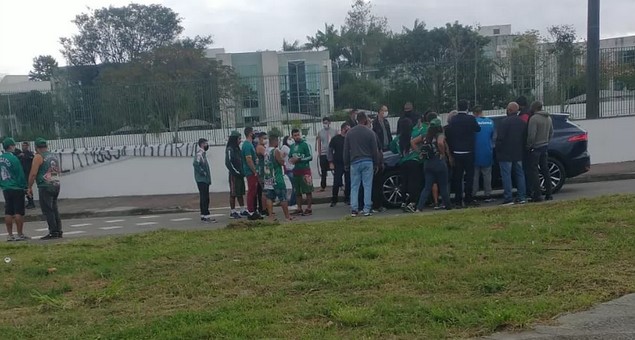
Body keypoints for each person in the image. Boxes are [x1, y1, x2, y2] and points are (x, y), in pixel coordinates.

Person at [445, 100, 481, 208]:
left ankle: (458, 200)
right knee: (469, 177)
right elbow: (477, 129)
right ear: (467, 108)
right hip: (469, 151)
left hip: (456, 152)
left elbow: (448, 132)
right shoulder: (470, 119)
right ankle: (468, 199)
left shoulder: (453, 120)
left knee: (458, 177)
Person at [344, 111, 379, 217]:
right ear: (365, 120)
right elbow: (375, 150)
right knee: (367, 185)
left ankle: (354, 209)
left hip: (354, 162)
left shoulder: (350, 133)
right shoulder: (370, 133)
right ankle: (367, 208)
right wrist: (376, 163)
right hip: (368, 161)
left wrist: (346, 163)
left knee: (354, 186)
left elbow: (346, 150)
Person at [27, 138, 62, 240]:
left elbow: (33, 173)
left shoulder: (38, 157)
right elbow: (57, 171)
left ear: (36, 148)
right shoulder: (53, 156)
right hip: (55, 184)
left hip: (45, 185)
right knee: (55, 208)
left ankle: (53, 231)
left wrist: (29, 186)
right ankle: (59, 230)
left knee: (47, 210)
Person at [416, 119, 452, 211]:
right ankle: (448, 206)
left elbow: (413, 142)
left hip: (428, 163)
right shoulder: (439, 135)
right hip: (438, 162)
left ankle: (419, 207)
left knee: (427, 187)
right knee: (443, 186)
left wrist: (419, 152)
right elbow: (440, 142)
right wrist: (443, 153)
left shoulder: (425, 137)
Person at [496, 102, 528, 205]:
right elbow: (525, 138)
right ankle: (522, 196)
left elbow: (500, 139)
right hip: (518, 153)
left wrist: (498, 150)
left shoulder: (504, 122)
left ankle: (508, 198)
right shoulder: (522, 123)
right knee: (520, 175)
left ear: (509, 110)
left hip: (505, 154)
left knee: (506, 176)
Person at [1, 138, 29, 241]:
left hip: (6, 187)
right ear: (10, 146)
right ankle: (20, 234)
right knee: (18, 212)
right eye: (13, 145)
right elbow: (20, 174)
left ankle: (9, 235)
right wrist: (24, 187)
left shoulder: (1, 158)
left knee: (8, 211)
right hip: (16, 187)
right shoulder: (14, 159)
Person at [526, 101, 554, 202]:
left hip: (536, 148)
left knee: (534, 171)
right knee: (545, 170)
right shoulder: (548, 118)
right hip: (544, 146)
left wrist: (529, 146)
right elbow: (551, 132)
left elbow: (531, 135)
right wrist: (546, 141)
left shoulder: (534, 119)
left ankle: (537, 195)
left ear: (534, 108)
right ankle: (549, 194)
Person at [263, 133, 293, 222]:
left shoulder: (266, 151)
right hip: (277, 177)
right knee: (283, 197)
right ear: (275, 141)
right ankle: (287, 216)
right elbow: (281, 162)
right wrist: (283, 158)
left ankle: (271, 216)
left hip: (268, 178)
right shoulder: (275, 151)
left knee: (269, 197)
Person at [472, 106, 495, 202]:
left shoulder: (473, 122)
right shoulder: (490, 122)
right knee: (487, 175)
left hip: (474, 152)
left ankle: (472, 195)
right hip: (487, 151)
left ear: (474, 113)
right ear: (482, 112)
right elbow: (493, 137)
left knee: (474, 175)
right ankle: (488, 195)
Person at [289, 129, 314, 216]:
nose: (297, 137)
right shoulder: (292, 146)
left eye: (298, 135)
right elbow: (289, 157)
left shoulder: (305, 144)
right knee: (297, 191)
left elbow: (310, 157)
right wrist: (291, 160)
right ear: (292, 136)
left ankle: (309, 208)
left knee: (308, 190)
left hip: (305, 170)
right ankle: (299, 208)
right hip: (295, 171)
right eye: (295, 135)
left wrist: (300, 159)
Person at [241, 127, 263, 220]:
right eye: (253, 132)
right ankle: (251, 211)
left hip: (252, 172)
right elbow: (249, 160)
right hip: (251, 172)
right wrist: (255, 171)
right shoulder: (247, 145)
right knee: (251, 192)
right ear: (250, 133)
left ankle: (253, 210)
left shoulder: (249, 144)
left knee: (254, 192)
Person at [225, 131, 248, 219]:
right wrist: (236, 172)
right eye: (239, 139)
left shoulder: (238, 149)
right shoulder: (230, 149)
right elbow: (228, 163)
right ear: (234, 139)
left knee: (240, 192)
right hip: (234, 175)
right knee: (233, 193)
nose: (240, 141)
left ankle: (242, 210)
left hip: (240, 174)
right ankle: (233, 211)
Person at [193, 138, 215, 223]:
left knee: (204, 197)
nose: (207, 145)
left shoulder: (203, 154)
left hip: (203, 179)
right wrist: (203, 172)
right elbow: (195, 163)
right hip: (202, 180)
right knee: (205, 198)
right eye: (206, 143)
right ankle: (206, 216)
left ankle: (203, 215)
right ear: (202, 144)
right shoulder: (200, 154)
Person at [328, 123, 350, 207]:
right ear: (343, 129)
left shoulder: (349, 138)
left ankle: (347, 198)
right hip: (338, 163)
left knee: (348, 182)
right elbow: (330, 151)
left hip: (348, 163)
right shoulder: (335, 139)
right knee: (336, 182)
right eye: (347, 129)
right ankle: (334, 199)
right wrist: (330, 162)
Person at [316, 117, 337, 192]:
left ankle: (337, 184)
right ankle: (323, 186)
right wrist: (319, 153)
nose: (325, 124)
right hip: (323, 153)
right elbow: (319, 143)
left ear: (329, 123)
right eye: (324, 123)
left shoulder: (334, 131)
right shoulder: (320, 132)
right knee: (323, 170)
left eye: (326, 122)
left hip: (332, 152)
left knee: (335, 170)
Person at [16, 141, 35, 209]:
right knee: (23, 189)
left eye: (25, 145)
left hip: (28, 174)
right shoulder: (20, 154)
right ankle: (29, 202)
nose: (24, 147)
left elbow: (31, 158)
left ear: (28, 146)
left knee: (28, 188)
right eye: (23, 145)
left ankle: (31, 202)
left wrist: (24, 156)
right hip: (22, 174)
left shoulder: (30, 154)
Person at [280, 136, 297, 209]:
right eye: (289, 139)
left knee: (295, 186)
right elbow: (292, 154)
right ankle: (291, 203)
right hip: (289, 169)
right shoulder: (285, 147)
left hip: (292, 169)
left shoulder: (290, 147)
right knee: (295, 186)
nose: (291, 140)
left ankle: (293, 203)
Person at [255, 132, 268, 216]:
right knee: (265, 191)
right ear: (260, 139)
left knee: (264, 190)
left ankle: (264, 208)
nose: (266, 140)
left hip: (263, 170)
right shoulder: (260, 147)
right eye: (264, 138)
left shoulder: (262, 147)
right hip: (262, 171)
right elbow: (268, 155)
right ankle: (263, 209)